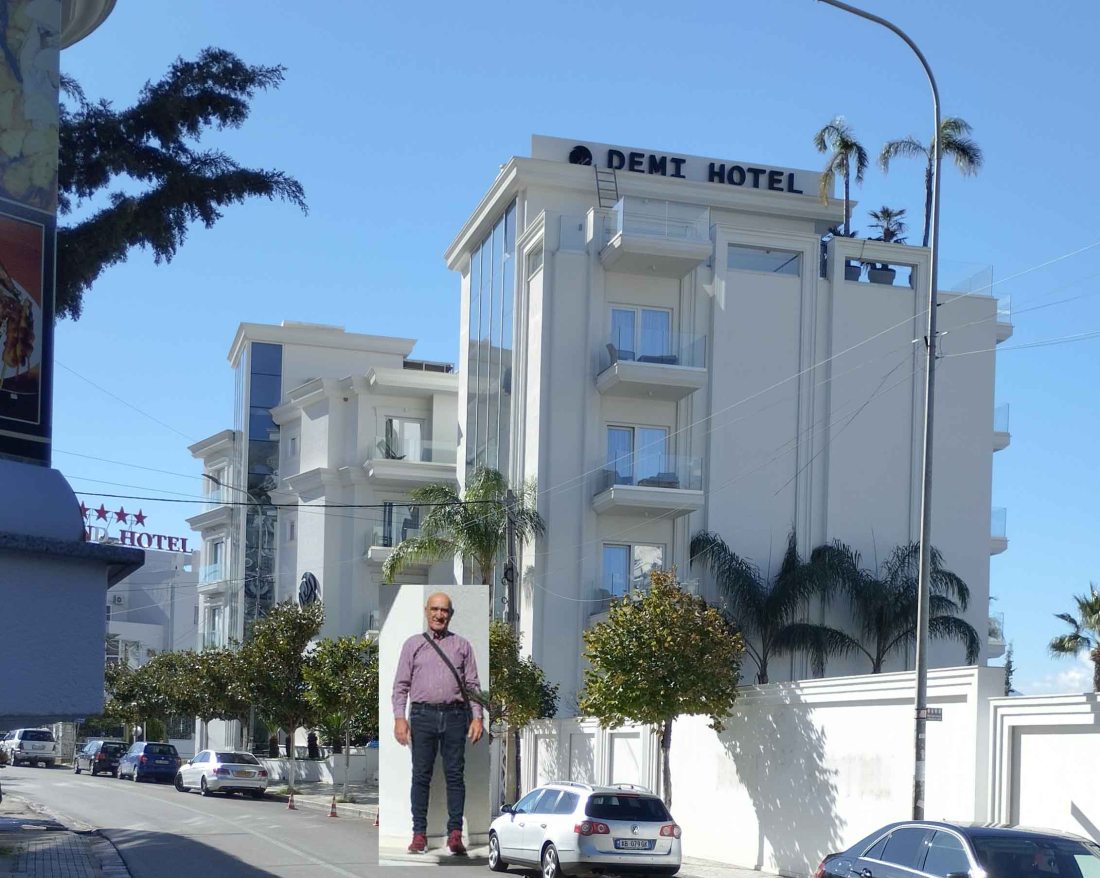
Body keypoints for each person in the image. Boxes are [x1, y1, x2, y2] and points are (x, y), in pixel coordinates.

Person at [392, 591, 483, 856]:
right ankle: (418, 834)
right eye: (435, 609)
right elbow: (400, 685)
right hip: (422, 716)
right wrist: (399, 718)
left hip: (455, 716)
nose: (439, 615)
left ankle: (455, 834)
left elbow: (473, 685)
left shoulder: (462, 646)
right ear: (426, 611)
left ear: (450, 614)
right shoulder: (413, 645)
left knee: (455, 776)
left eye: (444, 610)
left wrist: (477, 717)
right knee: (421, 776)